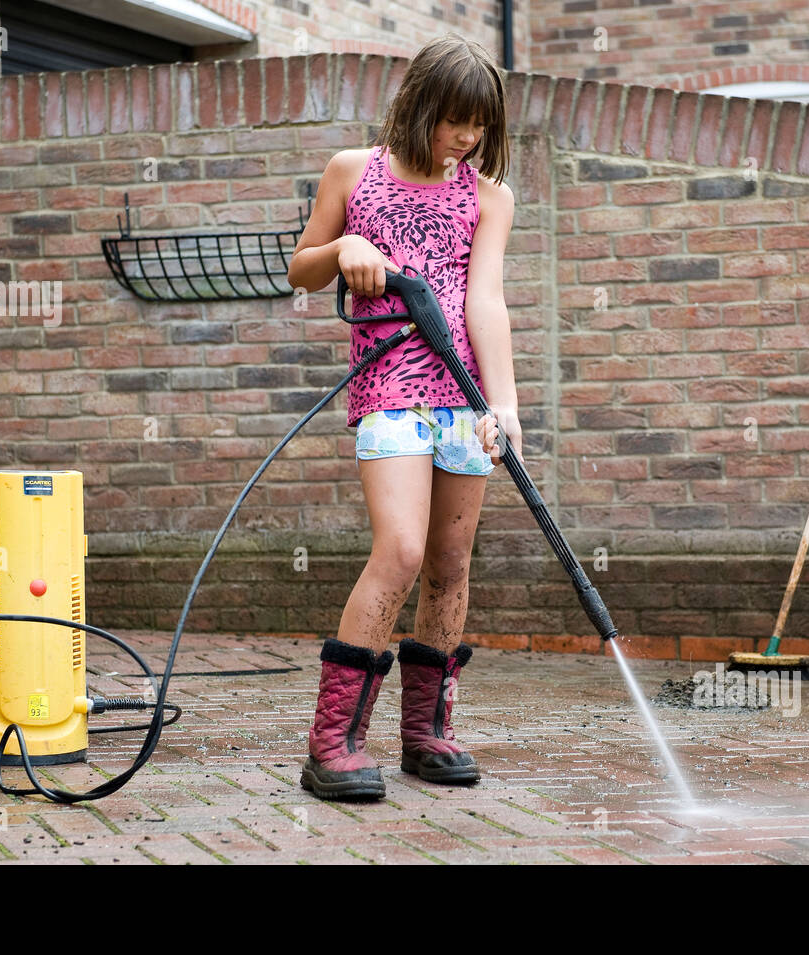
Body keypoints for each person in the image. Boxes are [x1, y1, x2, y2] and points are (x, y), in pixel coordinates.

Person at [285, 33, 522, 801]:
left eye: (480, 126)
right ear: (421, 105)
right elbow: (300, 267)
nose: (468, 138)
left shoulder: (488, 196)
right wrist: (349, 242)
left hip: (465, 398)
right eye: (457, 120)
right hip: (390, 387)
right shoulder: (354, 172)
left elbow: (485, 300)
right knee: (403, 548)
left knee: (451, 565)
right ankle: (332, 743)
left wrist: (504, 406)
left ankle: (427, 733)